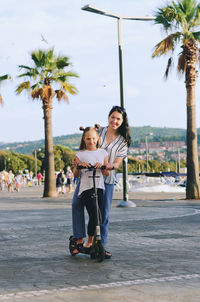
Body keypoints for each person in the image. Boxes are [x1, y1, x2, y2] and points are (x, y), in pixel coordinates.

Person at [72, 106, 131, 259]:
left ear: (123, 121)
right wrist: (78, 161)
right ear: (109, 117)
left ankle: (100, 244)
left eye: (118, 119)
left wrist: (109, 165)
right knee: (76, 204)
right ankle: (80, 238)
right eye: (113, 117)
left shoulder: (123, 141)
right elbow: (87, 142)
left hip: (106, 179)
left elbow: (117, 163)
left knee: (102, 214)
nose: (115, 121)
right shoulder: (100, 131)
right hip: (88, 176)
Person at [72, 126, 109, 255]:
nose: (91, 141)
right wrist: (80, 166)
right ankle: (89, 241)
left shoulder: (103, 153)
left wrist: (103, 167)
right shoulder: (80, 154)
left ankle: (94, 241)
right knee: (94, 214)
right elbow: (75, 174)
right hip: (86, 188)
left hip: (99, 187)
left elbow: (107, 174)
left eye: (93, 138)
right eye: (88, 139)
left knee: (98, 215)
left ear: (98, 138)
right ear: (84, 139)